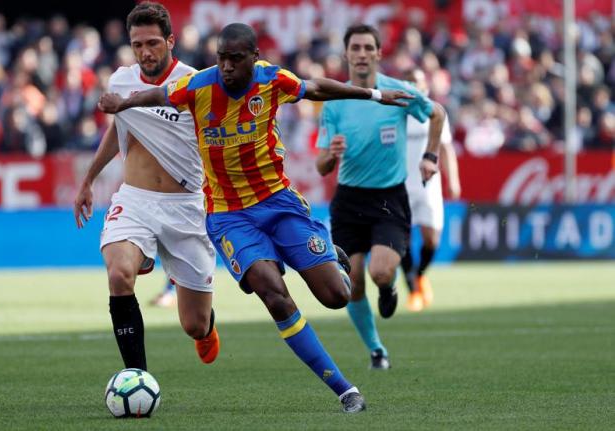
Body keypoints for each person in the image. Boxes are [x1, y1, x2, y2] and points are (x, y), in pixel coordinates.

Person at [97, 22, 415, 413]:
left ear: (253, 58)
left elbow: (316, 87)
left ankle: (329, 256)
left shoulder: (271, 80)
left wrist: (375, 94)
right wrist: (122, 103)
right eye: (221, 58)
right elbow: (157, 94)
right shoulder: (198, 87)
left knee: (336, 296)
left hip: (278, 204)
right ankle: (345, 389)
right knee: (273, 293)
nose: (226, 67)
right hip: (229, 216)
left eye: (234, 59)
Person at [73, 2, 219, 372]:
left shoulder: (194, 82)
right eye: (137, 45)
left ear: (171, 40)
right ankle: (136, 376)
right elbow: (119, 131)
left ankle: (207, 326)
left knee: (194, 324)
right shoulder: (122, 80)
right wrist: (89, 178)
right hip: (136, 199)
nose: (145, 52)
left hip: (186, 205)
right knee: (119, 274)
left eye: (152, 43)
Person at [315, 25, 446, 369]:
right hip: (349, 200)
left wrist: (431, 156)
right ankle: (376, 349)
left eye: (367, 47)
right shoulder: (334, 100)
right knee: (352, 285)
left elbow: (438, 114)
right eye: (354, 47)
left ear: (378, 54)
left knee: (381, 273)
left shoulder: (397, 92)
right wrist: (331, 154)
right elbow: (321, 166)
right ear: (346, 54)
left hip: (389, 198)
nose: (361, 53)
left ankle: (389, 289)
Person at [401, 67, 461, 312]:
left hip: (428, 185)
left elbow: (446, 148)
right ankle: (413, 290)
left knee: (431, 239)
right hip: (400, 185)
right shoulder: (396, 113)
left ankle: (420, 275)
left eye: (417, 82)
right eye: (409, 82)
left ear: (425, 86)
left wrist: (453, 179)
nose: (414, 86)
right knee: (401, 240)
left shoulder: (435, 112)